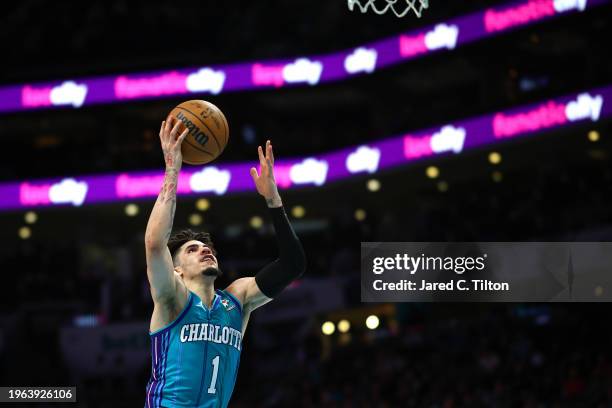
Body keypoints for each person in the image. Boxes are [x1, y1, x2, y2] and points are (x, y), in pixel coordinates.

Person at [144, 118, 306, 408]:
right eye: (193, 250)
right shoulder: (172, 299)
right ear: (176, 269)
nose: (205, 250)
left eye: (207, 247)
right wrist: (173, 169)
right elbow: (155, 244)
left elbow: (293, 264)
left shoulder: (237, 300)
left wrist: (273, 200)